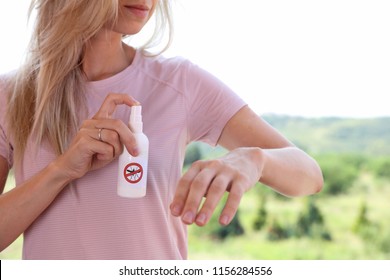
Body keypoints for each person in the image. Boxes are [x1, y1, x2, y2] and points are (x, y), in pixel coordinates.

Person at [0, 0, 323, 260]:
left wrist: (254, 159)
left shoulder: (180, 83)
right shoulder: (9, 95)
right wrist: (60, 170)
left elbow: (309, 176)